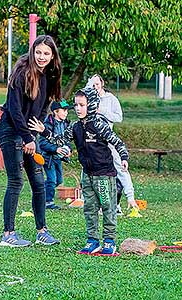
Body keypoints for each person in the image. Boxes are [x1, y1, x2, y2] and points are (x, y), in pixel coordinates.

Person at [28, 87, 129, 255]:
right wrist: (44, 131)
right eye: (76, 105)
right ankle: (93, 241)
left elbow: (117, 142)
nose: (77, 108)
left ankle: (109, 241)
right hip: (87, 174)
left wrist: (124, 157)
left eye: (82, 105)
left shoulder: (99, 124)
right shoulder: (75, 127)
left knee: (107, 207)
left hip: (104, 174)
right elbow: (59, 140)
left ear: (93, 105)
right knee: (89, 208)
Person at [0, 35, 61, 247]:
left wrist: (33, 135)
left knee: (39, 183)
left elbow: (44, 107)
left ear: (52, 56)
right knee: (16, 182)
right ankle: (8, 234)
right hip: (11, 131)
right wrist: (26, 137)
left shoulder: (49, 76)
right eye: (38, 52)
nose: (41, 57)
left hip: (28, 135)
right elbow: (14, 109)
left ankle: (42, 231)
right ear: (33, 52)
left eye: (46, 53)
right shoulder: (21, 73)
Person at [89, 74, 138, 214]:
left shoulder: (111, 99)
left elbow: (119, 118)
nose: (95, 87)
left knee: (120, 168)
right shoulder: (88, 98)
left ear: (102, 84)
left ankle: (130, 198)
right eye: (92, 85)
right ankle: (100, 204)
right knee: (96, 172)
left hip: (108, 139)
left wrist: (102, 111)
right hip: (93, 142)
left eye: (97, 84)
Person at [39, 99, 72, 210]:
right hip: (48, 157)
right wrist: (56, 149)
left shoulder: (66, 123)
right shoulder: (47, 124)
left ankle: (39, 191)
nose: (66, 112)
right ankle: (48, 202)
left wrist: (69, 150)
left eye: (67, 110)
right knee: (52, 180)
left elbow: (67, 140)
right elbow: (42, 143)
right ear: (55, 112)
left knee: (59, 180)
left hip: (58, 157)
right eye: (64, 110)